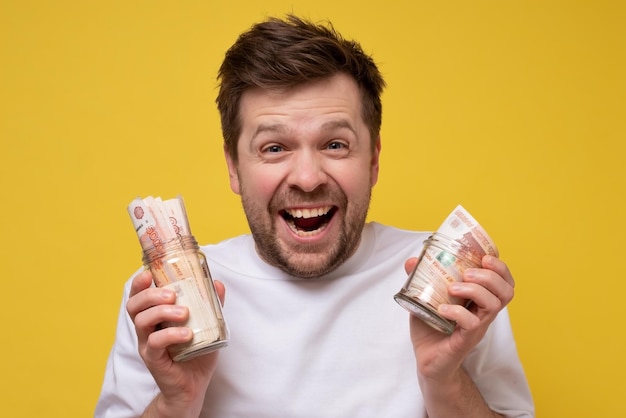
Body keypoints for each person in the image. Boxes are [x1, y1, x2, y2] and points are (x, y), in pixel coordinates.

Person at [95, 14, 534, 418]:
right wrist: (176, 403)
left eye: (335, 145)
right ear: (233, 166)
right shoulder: (167, 301)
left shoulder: (451, 286)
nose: (307, 178)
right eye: (274, 148)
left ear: (374, 159)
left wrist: (446, 382)